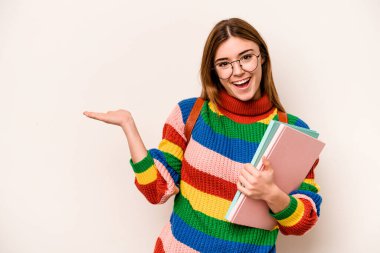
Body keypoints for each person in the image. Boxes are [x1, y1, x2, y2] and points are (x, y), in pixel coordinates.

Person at [83, 18, 322, 253]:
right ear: (214, 70)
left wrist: (271, 194)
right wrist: (129, 126)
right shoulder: (190, 114)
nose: (237, 71)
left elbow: (302, 222)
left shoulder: (291, 131)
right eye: (224, 63)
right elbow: (156, 190)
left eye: (246, 57)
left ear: (263, 58)